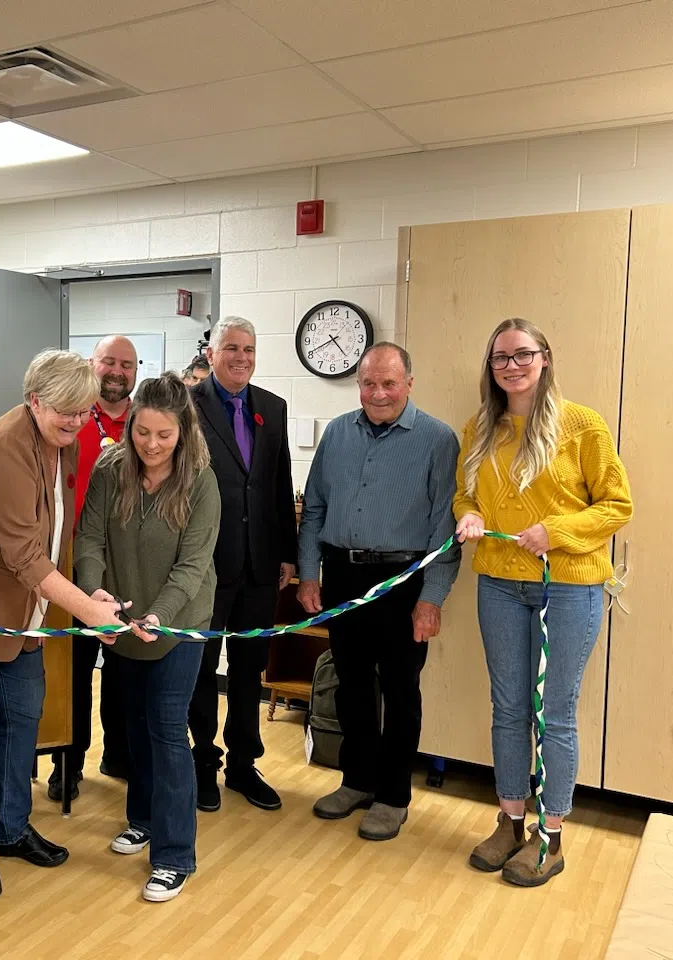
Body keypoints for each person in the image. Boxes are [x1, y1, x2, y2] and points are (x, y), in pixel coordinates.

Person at [0, 348, 129, 900]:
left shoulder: (61, 442)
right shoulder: (1, 448)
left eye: (84, 411)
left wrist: (87, 594)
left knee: (22, 718)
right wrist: (87, 612)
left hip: (23, 614)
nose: (78, 421)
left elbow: (58, 531)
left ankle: (12, 828)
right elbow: (26, 557)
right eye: (65, 410)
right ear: (33, 400)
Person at [455, 318, 631, 887]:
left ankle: (550, 838)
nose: (511, 365)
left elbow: (616, 505)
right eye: (500, 356)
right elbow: (465, 491)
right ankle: (510, 821)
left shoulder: (582, 425)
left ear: (545, 358)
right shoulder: (480, 428)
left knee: (554, 714)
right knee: (507, 707)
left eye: (522, 354)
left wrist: (554, 531)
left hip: (569, 583)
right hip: (500, 582)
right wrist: (470, 514)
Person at [298, 343, 460, 841]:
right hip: (344, 577)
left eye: (389, 383)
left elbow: (443, 531)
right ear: (358, 384)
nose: (378, 393)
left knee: (400, 691)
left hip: (402, 583)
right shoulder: (338, 434)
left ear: (409, 383)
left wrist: (431, 598)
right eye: (369, 383)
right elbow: (317, 508)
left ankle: (392, 796)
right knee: (350, 686)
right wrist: (309, 574)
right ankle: (356, 781)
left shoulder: (437, 440)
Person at [76, 372, 220, 902]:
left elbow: (192, 566)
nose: (152, 445)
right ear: (131, 422)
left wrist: (159, 616)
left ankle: (175, 854)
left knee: (165, 727)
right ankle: (141, 818)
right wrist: (94, 597)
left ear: (183, 431)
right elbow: (90, 537)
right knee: (132, 724)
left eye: (164, 435)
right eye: (143, 433)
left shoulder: (201, 479)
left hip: (179, 624)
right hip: (122, 620)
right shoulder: (111, 468)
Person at [187, 316, 297, 812]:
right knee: (203, 668)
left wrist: (289, 554)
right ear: (211, 353)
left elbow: (277, 484)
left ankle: (243, 765)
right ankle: (202, 764)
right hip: (205, 564)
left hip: (259, 564)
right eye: (231, 348)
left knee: (251, 670)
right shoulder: (187, 407)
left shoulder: (272, 409)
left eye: (249, 349)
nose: (242, 357)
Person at [49, 334, 137, 803]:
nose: (117, 372)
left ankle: (119, 754)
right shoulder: (72, 419)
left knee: (125, 667)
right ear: (91, 364)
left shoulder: (146, 424)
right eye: (109, 362)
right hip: (72, 563)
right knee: (75, 670)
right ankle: (69, 762)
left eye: (127, 364)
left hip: (130, 564)